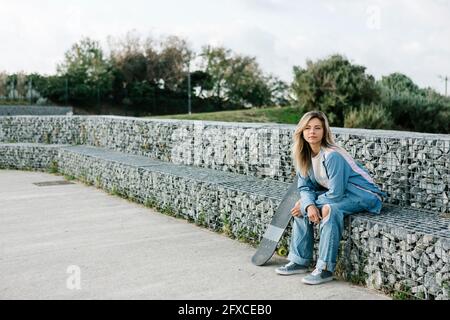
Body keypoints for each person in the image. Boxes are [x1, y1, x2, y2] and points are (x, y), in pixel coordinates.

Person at [275, 110, 385, 285]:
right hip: (341, 194)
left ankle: (325, 269)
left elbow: (335, 194)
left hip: (365, 195)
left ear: (324, 131)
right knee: (301, 206)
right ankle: (299, 261)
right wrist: (307, 204)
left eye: (317, 128)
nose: (312, 132)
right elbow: (304, 187)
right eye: (308, 128)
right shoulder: (304, 156)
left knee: (329, 209)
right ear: (301, 132)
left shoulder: (332, 155)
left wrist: (309, 204)